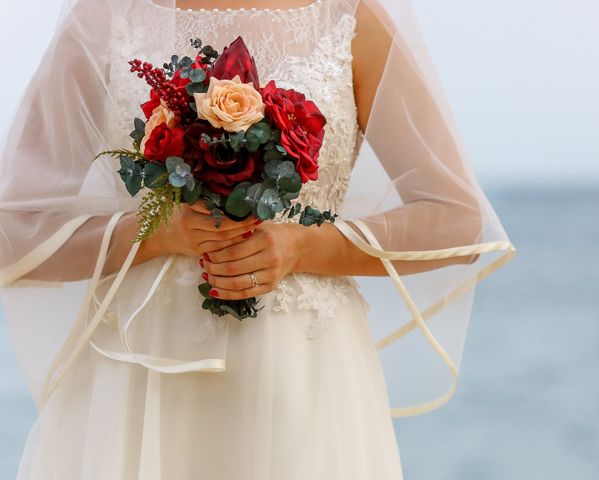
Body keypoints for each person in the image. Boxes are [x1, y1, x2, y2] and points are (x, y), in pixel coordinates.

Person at [0, 0, 515, 478]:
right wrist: (156, 232)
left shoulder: (350, 17)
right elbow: (13, 230)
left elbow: (456, 218)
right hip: (139, 375)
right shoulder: (109, 15)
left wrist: (303, 247)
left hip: (302, 374)